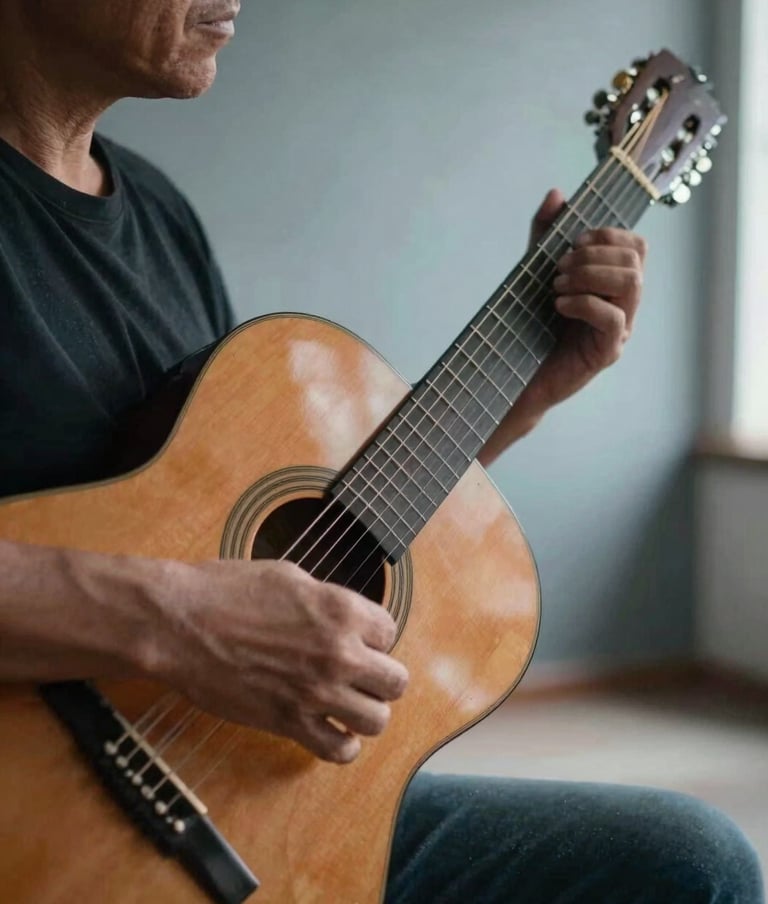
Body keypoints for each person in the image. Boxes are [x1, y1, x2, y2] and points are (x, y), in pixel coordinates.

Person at [0, 2, 762, 902]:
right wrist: (175, 618)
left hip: (225, 785)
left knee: (691, 862)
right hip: (38, 816)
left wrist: (519, 400)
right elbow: (207, 599)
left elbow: (243, 530)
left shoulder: (159, 216)